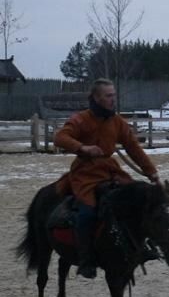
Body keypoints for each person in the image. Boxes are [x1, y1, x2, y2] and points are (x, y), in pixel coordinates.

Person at [54, 78, 160, 279]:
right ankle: (86, 260)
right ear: (96, 97)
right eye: (108, 96)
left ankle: (143, 246)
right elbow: (60, 137)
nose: (113, 99)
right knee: (87, 211)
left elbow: (133, 148)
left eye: (114, 95)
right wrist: (82, 148)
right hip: (85, 174)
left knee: (137, 198)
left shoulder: (117, 121)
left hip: (111, 171)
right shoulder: (81, 119)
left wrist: (151, 172)